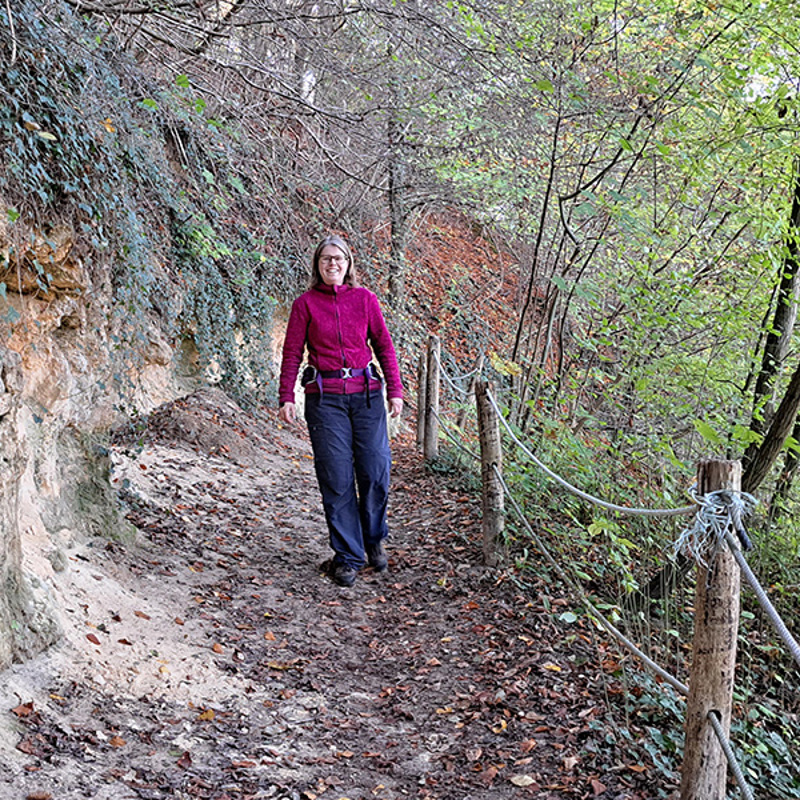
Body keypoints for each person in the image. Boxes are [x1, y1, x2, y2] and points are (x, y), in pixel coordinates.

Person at [278, 235, 404, 587]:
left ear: (348, 264)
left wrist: (395, 389)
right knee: (335, 477)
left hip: (366, 397)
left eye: (338, 258)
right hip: (325, 399)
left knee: (376, 470)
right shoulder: (305, 304)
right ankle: (347, 555)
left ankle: (373, 538)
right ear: (317, 265)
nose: (332, 264)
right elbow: (292, 352)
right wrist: (286, 394)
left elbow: (383, 344)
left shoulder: (365, 300)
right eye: (325, 259)